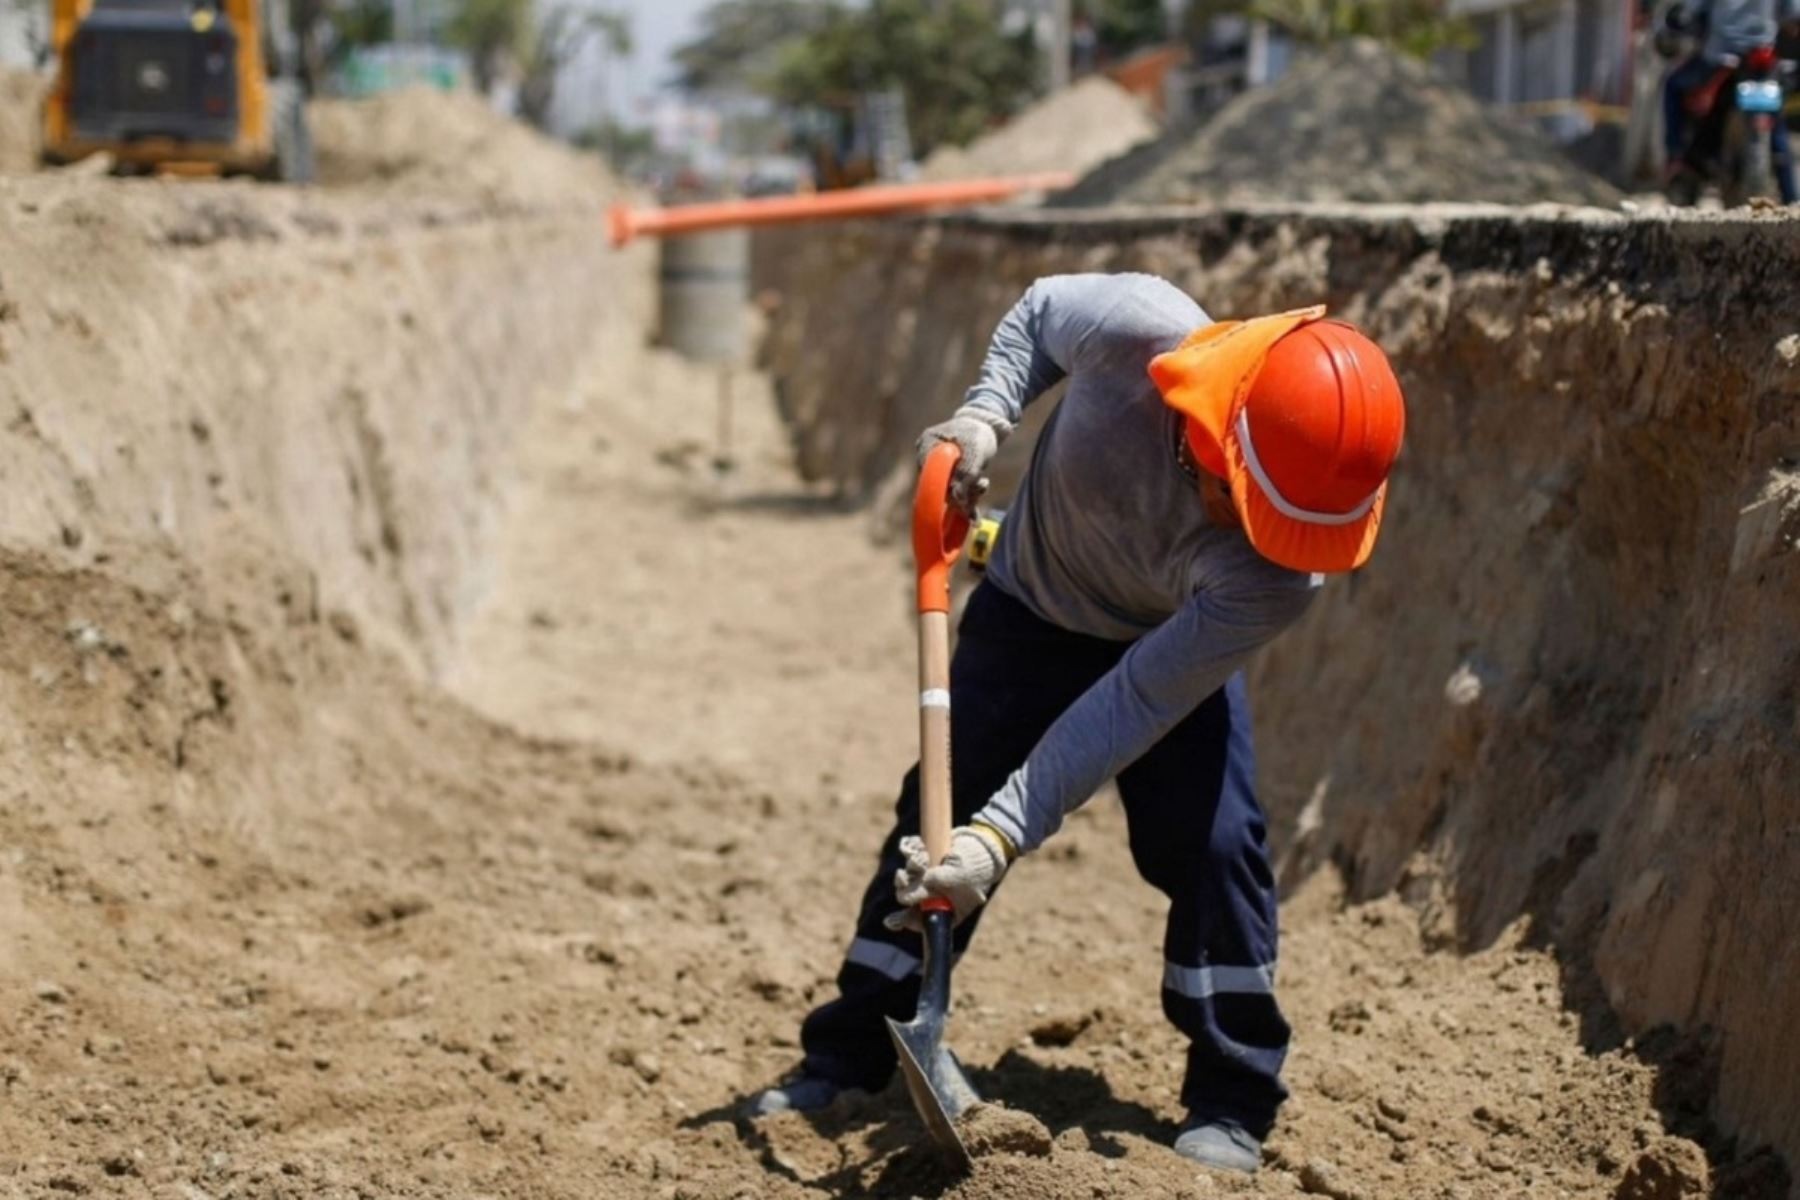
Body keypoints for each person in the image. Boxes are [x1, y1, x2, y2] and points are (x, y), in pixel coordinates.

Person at [749, 274, 1407, 1174]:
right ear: (1216, 438)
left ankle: (1232, 1096)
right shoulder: (1140, 332)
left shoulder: (1276, 577)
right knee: (932, 820)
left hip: (1161, 651)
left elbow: (1132, 701)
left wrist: (1003, 838)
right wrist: (984, 418)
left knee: (1218, 850)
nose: (1262, 539)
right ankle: (850, 1050)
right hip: (1030, 608)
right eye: (1250, 508)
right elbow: (1038, 315)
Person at [1661, 0, 1800, 201]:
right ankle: (1791, 199)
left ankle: (1676, 157)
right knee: (1776, 126)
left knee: (1673, 85)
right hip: (1760, 58)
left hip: (1719, 59)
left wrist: (1681, 22)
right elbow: (1793, 17)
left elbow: (1689, 13)